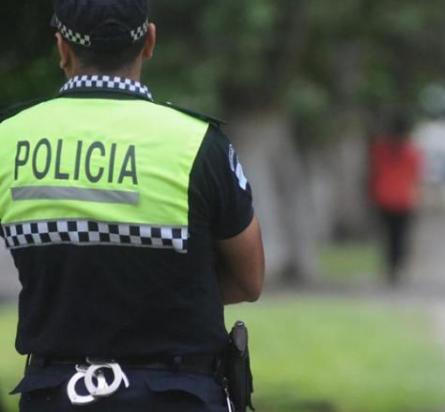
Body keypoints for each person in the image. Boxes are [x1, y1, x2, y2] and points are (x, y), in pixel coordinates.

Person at [0, 1, 265, 411]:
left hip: (56, 393)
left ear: (62, 48)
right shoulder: (197, 144)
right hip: (178, 395)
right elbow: (249, 280)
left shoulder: (9, 139)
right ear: (149, 42)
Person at [369, 115, 423, 285]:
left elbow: (374, 171)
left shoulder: (380, 150)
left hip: (384, 198)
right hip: (404, 199)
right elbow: (416, 175)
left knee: (387, 235)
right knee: (401, 236)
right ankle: (398, 266)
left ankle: (389, 266)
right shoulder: (411, 152)